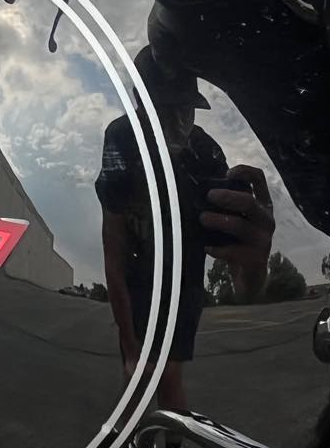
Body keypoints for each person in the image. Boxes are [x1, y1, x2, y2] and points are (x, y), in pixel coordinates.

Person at [96, 46, 273, 412]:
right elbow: (112, 248)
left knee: (169, 372)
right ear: (140, 104)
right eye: (165, 109)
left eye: (185, 108)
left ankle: (175, 446)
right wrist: (130, 349)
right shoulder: (122, 139)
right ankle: (133, 438)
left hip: (184, 281)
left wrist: (256, 263)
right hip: (137, 274)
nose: (178, 122)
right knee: (135, 374)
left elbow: (244, 289)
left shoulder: (205, 151)